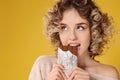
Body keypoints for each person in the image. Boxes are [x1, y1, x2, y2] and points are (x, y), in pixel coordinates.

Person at [29, 0, 119, 80]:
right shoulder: (44, 66)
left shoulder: (109, 74)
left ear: (93, 30)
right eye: (64, 28)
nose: (72, 37)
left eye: (80, 27)